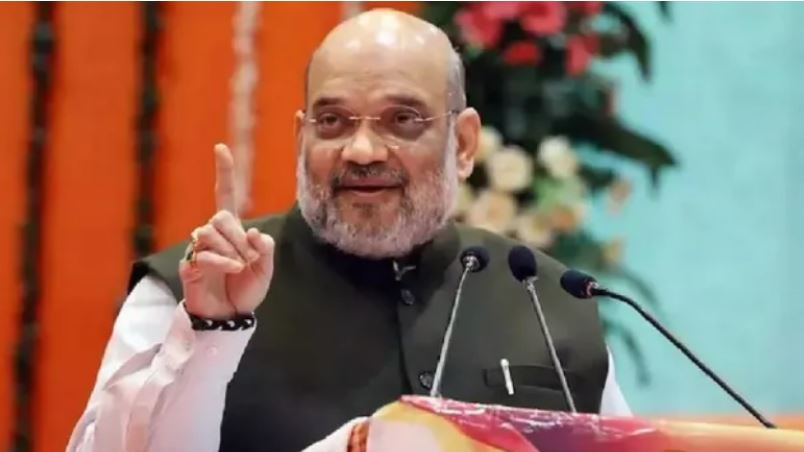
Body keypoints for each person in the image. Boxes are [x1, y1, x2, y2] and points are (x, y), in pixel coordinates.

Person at [68, 9, 629, 452]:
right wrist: (210, 332)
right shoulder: (190, 288)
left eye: (402, 120)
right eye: (333, 121)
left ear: (462, 144)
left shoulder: (546, 299)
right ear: (302, 138)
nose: (361, 151)